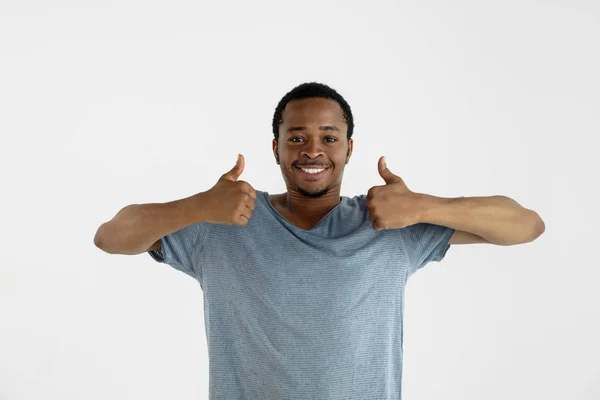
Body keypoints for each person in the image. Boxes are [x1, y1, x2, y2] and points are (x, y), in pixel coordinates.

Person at [94, 82, 545, 399]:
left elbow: (525, 226)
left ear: (349, 148)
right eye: (297, 137)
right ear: (277, 148)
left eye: (329, 137)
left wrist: (424, 206)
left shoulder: (388, 225)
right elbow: (111, 237)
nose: (313, 150)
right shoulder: (222, 223)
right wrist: (197, 206)